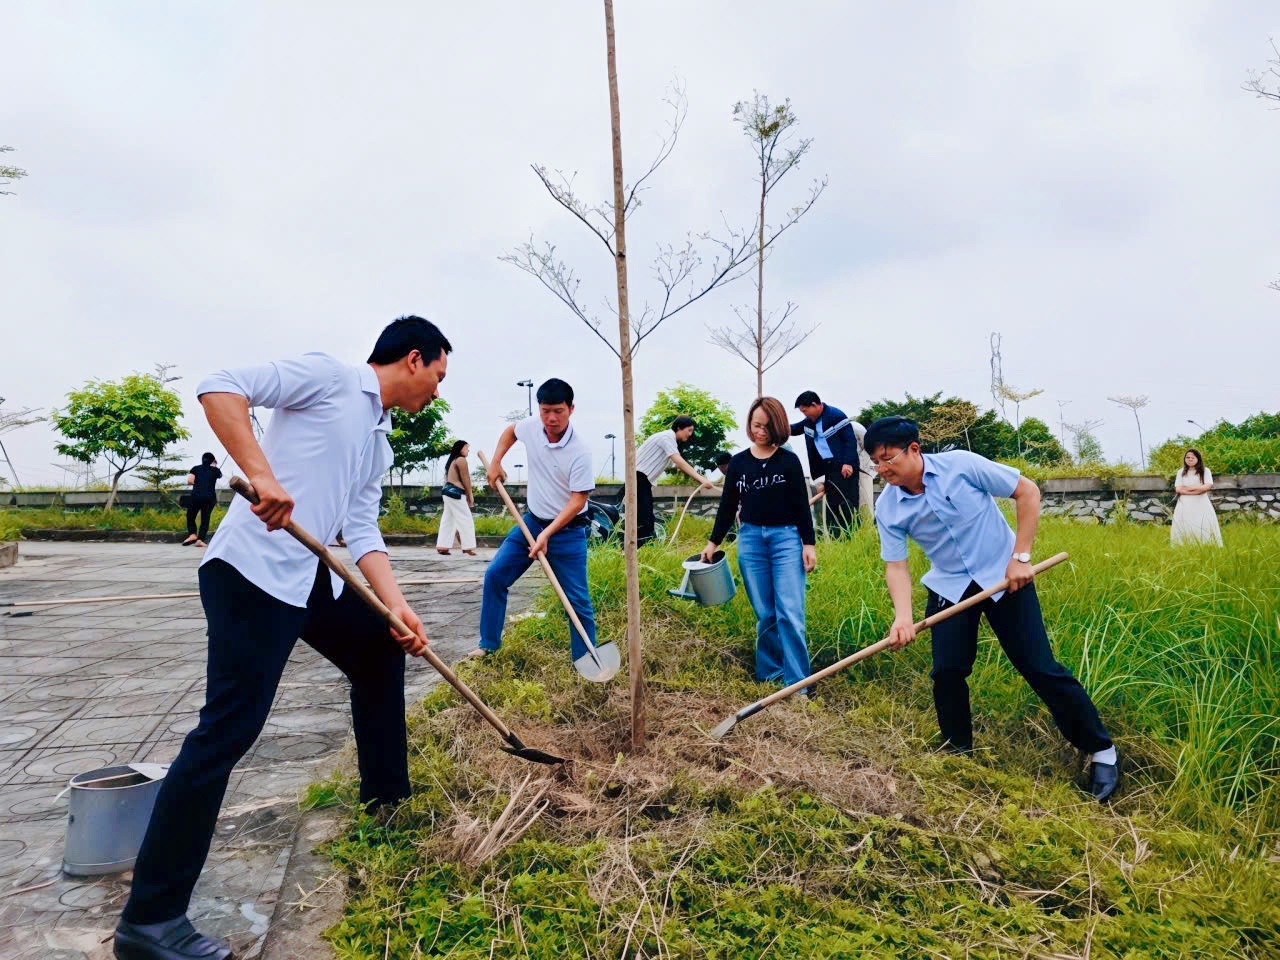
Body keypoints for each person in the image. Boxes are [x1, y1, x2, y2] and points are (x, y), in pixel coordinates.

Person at [114, 316, 446, 960]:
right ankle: (150, 921)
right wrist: (261, 475)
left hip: (306, 577)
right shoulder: (330, 378)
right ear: (413, 359)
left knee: (381, 650)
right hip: (250, 573)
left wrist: (397, 607)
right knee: (226, 732)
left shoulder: (378, 439)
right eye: (437, 374)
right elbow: (220, 387)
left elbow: (361, 528)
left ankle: (385, 805)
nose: (437, 389)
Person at [865, 416, 1119, 802]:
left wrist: (1021, 557)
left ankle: (1101, 751)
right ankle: (958, 756)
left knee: (1039, 666)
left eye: (888, 458)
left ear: (914, 449)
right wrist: (903, 617)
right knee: (947, 672)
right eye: (876, 462)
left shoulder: (961, 466)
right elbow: (896, 565)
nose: (883, 469)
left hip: (1005, 577)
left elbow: (1027, 491)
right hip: (951, 586)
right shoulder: (888, 506)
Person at [471, 378, 598, 666]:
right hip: (531, 523)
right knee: (495, 576)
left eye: (558, 411)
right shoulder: (531, 426)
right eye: (545, 411)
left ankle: (586, 661)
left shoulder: (580, 451)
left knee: (577, 602)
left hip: (568, 532)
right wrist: (496, 461)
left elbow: (578, 501)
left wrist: (548, 534)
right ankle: (488, 645)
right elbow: (511, 431)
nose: (551, 418)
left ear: (571, 409)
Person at [702, 397, 817, 693]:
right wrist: (713, 542)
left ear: (777, 426)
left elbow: (801, 505)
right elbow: (728, 506)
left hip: (786, 539)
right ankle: (770, 675)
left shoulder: (788, 461)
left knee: (789, 611)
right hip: (751, 540)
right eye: (756, 425)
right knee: (765, 613)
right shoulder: (739, 463)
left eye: (766, 426)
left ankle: (798, 683)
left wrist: (808, 543)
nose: (760, 431)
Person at [632, 415, 716, 547]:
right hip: (638, 477)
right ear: (679, 428)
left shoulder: (668, 440)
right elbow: (679, 462)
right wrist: (702, 479)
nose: (690, 434)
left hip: (641, 479)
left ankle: (639, 547)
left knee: (644, 517)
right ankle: (636, 548)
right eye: (689, 430)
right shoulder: (666, 437)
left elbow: (675, 464)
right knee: (645, 519)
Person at [791, 390, 862, 534]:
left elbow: (849, 440)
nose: (805, 415)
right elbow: (793, 429)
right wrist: (775, 426)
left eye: (805, 411)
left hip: (844, 466)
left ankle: (852, 533)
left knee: (846, 502)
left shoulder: (836, 416)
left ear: (814, 405)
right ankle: (835, 535)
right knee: (832, 502)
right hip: (828, 467)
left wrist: (848, 463)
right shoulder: (809, 422)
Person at [1171, 448, 1222, 546]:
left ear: (1198, 458)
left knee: (1203, 522)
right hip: (1184, 503)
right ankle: (1184, 545)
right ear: (1185, 459)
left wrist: (1189, 489)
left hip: (1201, 502)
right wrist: (1196, 490)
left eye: (1193, 457)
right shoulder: (1180, 472)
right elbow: (1178, 489)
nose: (1190, 459)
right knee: (1185, 523)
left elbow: (1207, 486)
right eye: (1187, 457)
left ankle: (1205, 544)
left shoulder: (1205, 471)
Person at [437, 439, 477, 556]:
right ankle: (468, 547)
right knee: (466, 519)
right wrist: (470, 495)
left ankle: (442, 546)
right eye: (466, 448)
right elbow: (466, 479)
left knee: (448, 519)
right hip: (456, 493)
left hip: (448, 492)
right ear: (460, 449)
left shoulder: (453, 460)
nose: (468, 450)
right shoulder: (461, 460)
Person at [182, 452, 222, 547]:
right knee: (205, 518)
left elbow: (190, 481)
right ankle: (200, 539)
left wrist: (199, 483)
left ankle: (192, 534)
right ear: (212, 461)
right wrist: (214, 466)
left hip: (196, 496)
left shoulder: (195, 468)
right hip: (210, 497)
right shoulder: (216, 470)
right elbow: (220, 476)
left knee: (191, 515)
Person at [849, 418, 876, 519]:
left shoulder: (855, 427)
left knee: (866, 500)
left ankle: (868, 525)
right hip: (847, 471)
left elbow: (868, 446)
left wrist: (859, 465)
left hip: (864, 469)